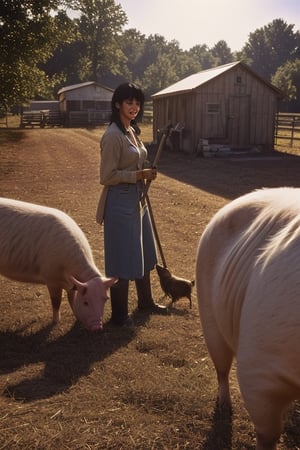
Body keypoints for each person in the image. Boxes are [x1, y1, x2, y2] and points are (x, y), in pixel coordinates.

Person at [97, 82, 168, 326]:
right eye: (129, 102)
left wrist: (146, 172)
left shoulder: (132, 131)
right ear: (117, 104)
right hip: (119, 202)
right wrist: (137, 175)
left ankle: (146, 302)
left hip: (138, 199)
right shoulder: (113, 136)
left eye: (137, 103)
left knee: (145, 250)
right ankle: (119, 315)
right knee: (122, 256)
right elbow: (106, 177)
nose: (134, 107)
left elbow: (137, 164)